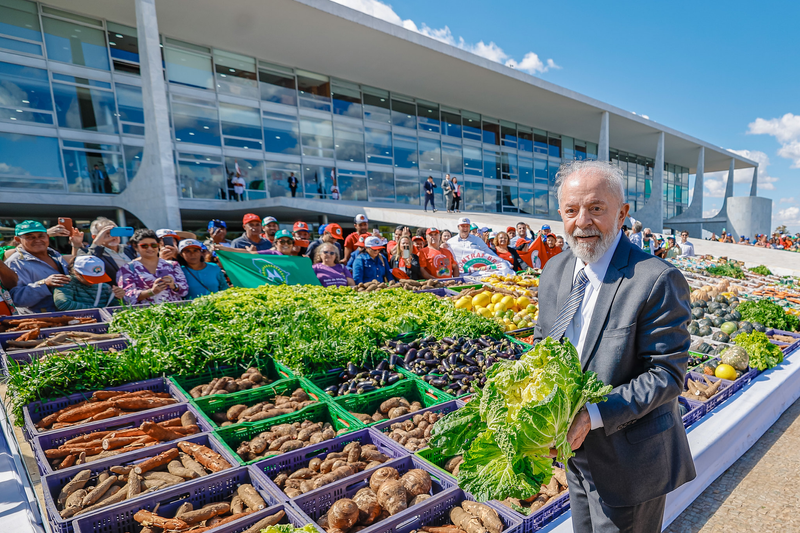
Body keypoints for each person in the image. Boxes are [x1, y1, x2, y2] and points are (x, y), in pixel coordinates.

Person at [532, 160, 694, 532]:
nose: (582, 222)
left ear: (621, 214)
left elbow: (667, 375)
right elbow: (543, 344)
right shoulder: (555, 270)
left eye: (596, 208)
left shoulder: (656, 279)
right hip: (574, 456)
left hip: (629, 464)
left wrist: (591, 414)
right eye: (571, 211)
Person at [6, 220, 70, 314]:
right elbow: (16, 299)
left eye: (41, 236)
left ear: (47, 237)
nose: (37, 240)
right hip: (40, 319)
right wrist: (44, 284)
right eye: (30, 237)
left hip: (69, 313)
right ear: (18, 240)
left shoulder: (55, 254)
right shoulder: (15, 263)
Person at [117, 229, 189, 305]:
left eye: (154, 245)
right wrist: (151, 291)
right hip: (146, 311)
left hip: (174, 310)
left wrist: (174, 286)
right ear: (135, 247)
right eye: (144, 246)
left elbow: (185, 291)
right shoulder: (128, 268)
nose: (150, 248)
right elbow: (127, 296)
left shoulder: (172, 265)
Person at [54, 255, 121, 310]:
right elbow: (63, 304)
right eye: (90, 277)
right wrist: (96, 310)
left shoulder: (105, 287)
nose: (95, 281)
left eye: (98, 277)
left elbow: (114, 308)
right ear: (76, 272)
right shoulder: (66, 281)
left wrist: (118, 298)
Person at [85, 217, 136, 284]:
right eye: (106, 233)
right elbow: (89, 265)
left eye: (114, 232)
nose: (112, 236)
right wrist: (96, 243)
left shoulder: (127, 249)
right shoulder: (95, 253)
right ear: (95, 237)